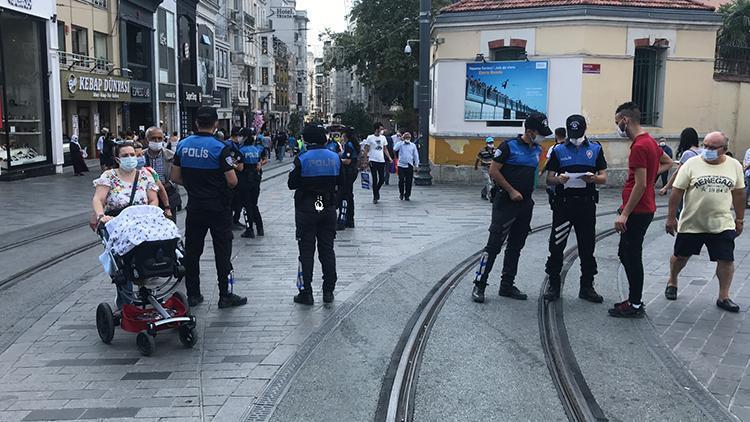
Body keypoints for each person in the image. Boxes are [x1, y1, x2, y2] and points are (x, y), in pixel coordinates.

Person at [171, 107, 247, 309]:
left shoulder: (183, 146)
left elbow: (175, 177)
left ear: (196, 123)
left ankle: (194, 294)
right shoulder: (220, 148)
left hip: (195, 206)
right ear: (216, 124)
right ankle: (225, 294)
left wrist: (194, 186)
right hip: (218, 207)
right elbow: (232, 181)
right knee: (222, 251)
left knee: (193, 251)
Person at [472, 113, 551, 303]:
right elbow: (493, 171)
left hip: (525, 204)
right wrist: (511, 190)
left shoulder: (537, 149)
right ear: (530, 131)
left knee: (516, 245)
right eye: (540, 133)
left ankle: (507, 284)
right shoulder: (508, 146)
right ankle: (479, 284)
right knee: (493, 246)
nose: (542, 137)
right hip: (506, 203)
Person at [665, 132, 745, 312]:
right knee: (680, 256)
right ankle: (673, 280)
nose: (706, 150)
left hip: (721, 223)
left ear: (724, 149)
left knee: (726, 259)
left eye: (712, 147)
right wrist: (671, 218)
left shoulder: (734, 166)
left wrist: (739, 219)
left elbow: (739, 193)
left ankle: (723, 296)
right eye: (705, 145)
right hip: (692, 222)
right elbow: (676, 192)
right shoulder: (692, 164)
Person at [610, 102, 674, 318]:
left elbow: (639, 185)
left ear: (625, 120)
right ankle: (633, 299)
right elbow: (667, 162)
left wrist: (625, 213)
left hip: (637, 211)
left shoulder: (639, 146)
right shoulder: (649, 141)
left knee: (631, 255)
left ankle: (635, 303)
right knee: (626, 253)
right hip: (644, 208)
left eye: (617, 122)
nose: (617, 126)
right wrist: (650, 177)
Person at [542, 115, 608, 302]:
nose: (575, 136)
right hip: (564, 205)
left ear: (585, 130)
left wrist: (593, 179)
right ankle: (554, 285)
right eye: (572, 133)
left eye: (578, 133)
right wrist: (559, 179)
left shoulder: (595, 148)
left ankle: (587, 286)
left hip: (586, 204)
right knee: (557, 245)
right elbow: (549, 178)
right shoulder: (559, 150)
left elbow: (604, 177)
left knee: (587, 246)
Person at [288, 124, 344, 305]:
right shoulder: (335, 157)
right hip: (326, 206)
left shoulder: (302, 159)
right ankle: (328, 290)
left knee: (306, 250)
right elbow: (341, 181)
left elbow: (292, 183)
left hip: (307, 207)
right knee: (327, 249)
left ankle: (307, 292)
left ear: (306, 139)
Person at [143, 127, 180, 219]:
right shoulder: (140, 156)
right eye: (153, 138)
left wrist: (167, 185)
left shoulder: (171, 156)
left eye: (159, 138)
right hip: (147, 197)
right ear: (147, 140)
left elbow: (177, 177)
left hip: (169, 196)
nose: (156, 141)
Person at [238, 128, 266, 239]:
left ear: (244, 137)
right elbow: (259, 164)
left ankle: (249, 229)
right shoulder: (255, 150)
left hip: (245, 179)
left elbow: (240, 167)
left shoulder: (242, 150)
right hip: (255, 179)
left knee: (247, 205)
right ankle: (260, 227)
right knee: (254, 204)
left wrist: (232, 165)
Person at [660, 128, 701, 197]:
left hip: (689, 187)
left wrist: (665, 188)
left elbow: (677, 173)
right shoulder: (703, 151)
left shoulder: (687, 154)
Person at [363, 122, 392, 204]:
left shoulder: (383, 138)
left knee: (382, 179)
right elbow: (366, 149)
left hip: (381, 160)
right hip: (373, 160)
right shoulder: (370, 138)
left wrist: (389, 157)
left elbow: (385, 149)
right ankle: (375, 196)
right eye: (381, 129)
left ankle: (376, 190)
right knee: (375, 178)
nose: (382, 130)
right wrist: (365, 160)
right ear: (376, 129)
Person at [337, 129, 359, 230]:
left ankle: (342, 220)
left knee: (344, 195)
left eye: (342, 135)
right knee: (349, 195)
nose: (341, 137)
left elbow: (348, 161)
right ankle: (350, 220)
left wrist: (337, 159)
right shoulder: (352, 144)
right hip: (352, 172)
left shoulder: (348, 145)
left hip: (348, 173)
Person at [394, 132, 419, 201]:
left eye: (409, 138)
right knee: (401, 180)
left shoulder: (413, 145)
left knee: (409, 181)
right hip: (401, 165)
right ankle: (401, 193)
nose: (408, 139)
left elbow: (415, 155)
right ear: (404, 138)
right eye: (406, 137)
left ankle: (407, 195)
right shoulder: (401, 144)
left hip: (409, 165)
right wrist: (401, 140)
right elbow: (395, 148)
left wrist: (416, 165)